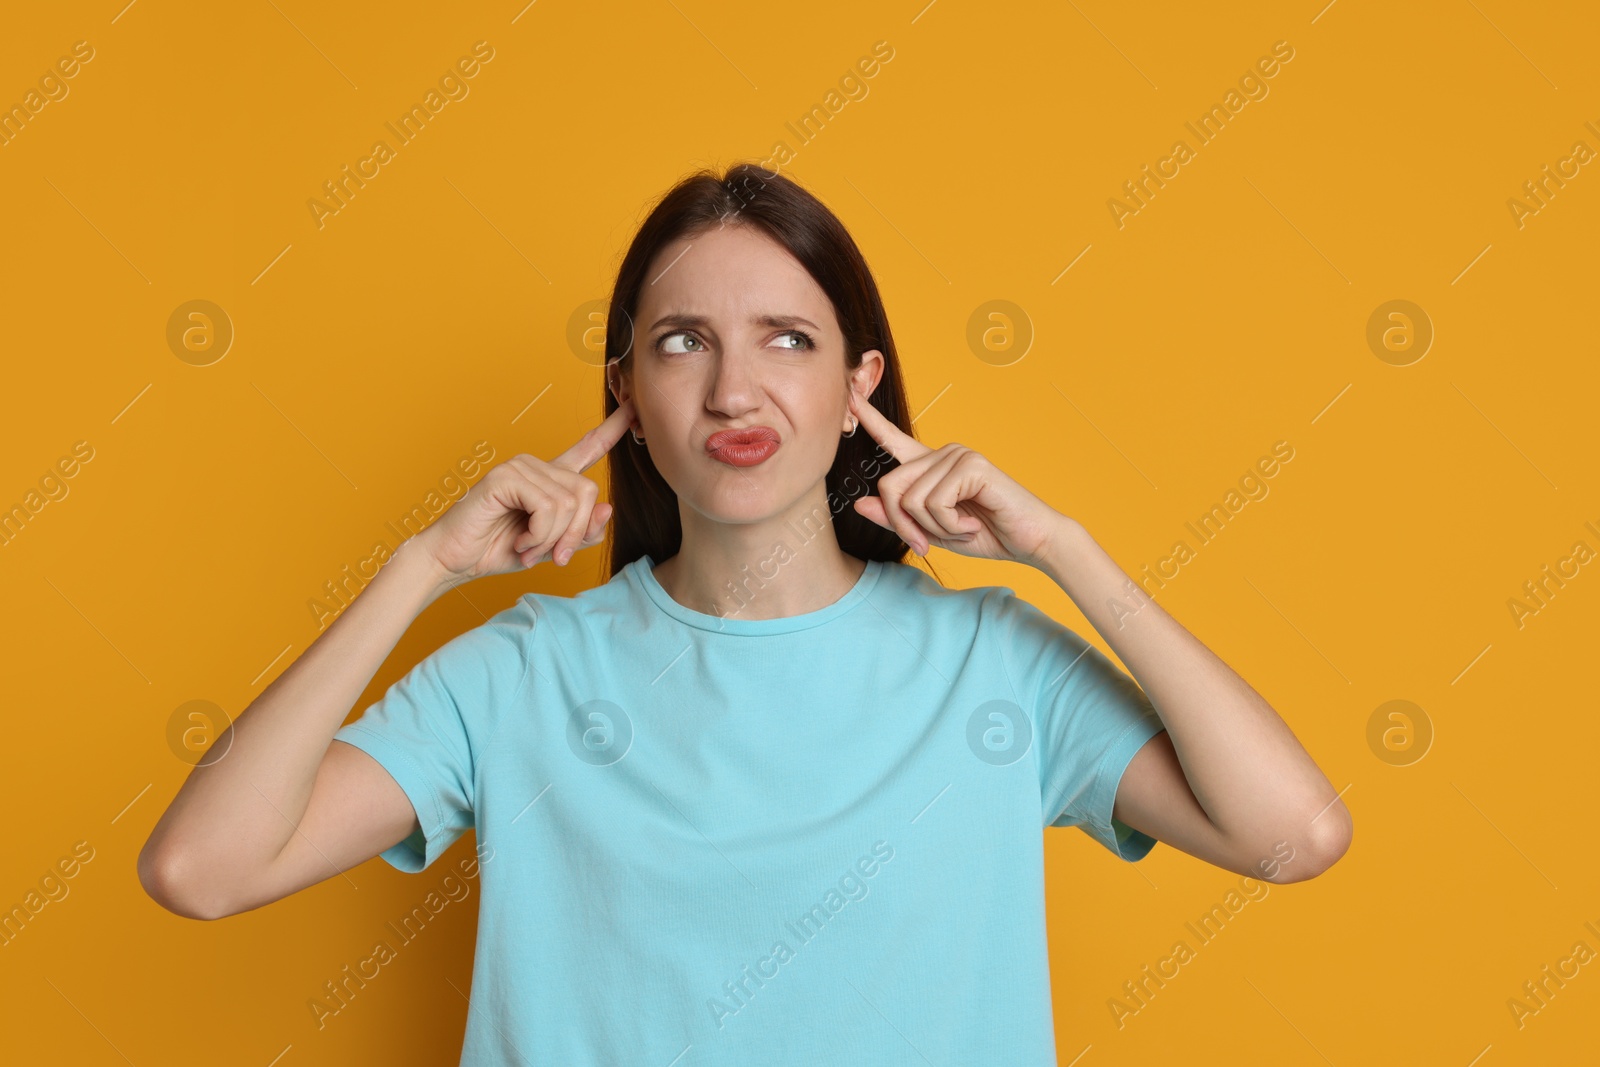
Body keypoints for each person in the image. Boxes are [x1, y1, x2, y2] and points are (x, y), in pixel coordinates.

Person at [138, 162, 1351, 1065]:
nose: (733, 388)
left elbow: (1292, 832)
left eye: (787, 338)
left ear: (856, 383)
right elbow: (200, 868)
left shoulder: (994, 664)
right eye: (681, 343)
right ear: (627, 390)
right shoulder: (519, 674)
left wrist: (1066, 551)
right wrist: (419, 568)